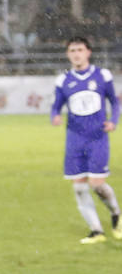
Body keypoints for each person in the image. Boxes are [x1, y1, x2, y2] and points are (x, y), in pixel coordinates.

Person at [50, 36, 120, 244]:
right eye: (72, 50)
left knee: (97, 184)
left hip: (97, 137)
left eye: (80, 49)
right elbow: (56, 105)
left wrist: (113, 121)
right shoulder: (63, 80)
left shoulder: (102, 75)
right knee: (79, 187)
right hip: (74, 139)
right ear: (67, 54)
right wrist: (54, 115)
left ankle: (116, 214)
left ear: (88, 52)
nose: (76, 54)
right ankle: (96, 231)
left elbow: (114, 103)